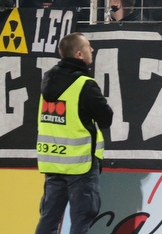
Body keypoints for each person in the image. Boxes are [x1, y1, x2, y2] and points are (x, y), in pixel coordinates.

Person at [35, 32, 113, 234]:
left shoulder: (47, 80)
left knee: (48, 219)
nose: (92, 50)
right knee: (81, 221)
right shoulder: (84, 85)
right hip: (80, 165)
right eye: (88, 46)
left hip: (53, 161)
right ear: (79, 54)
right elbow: (106, 119)